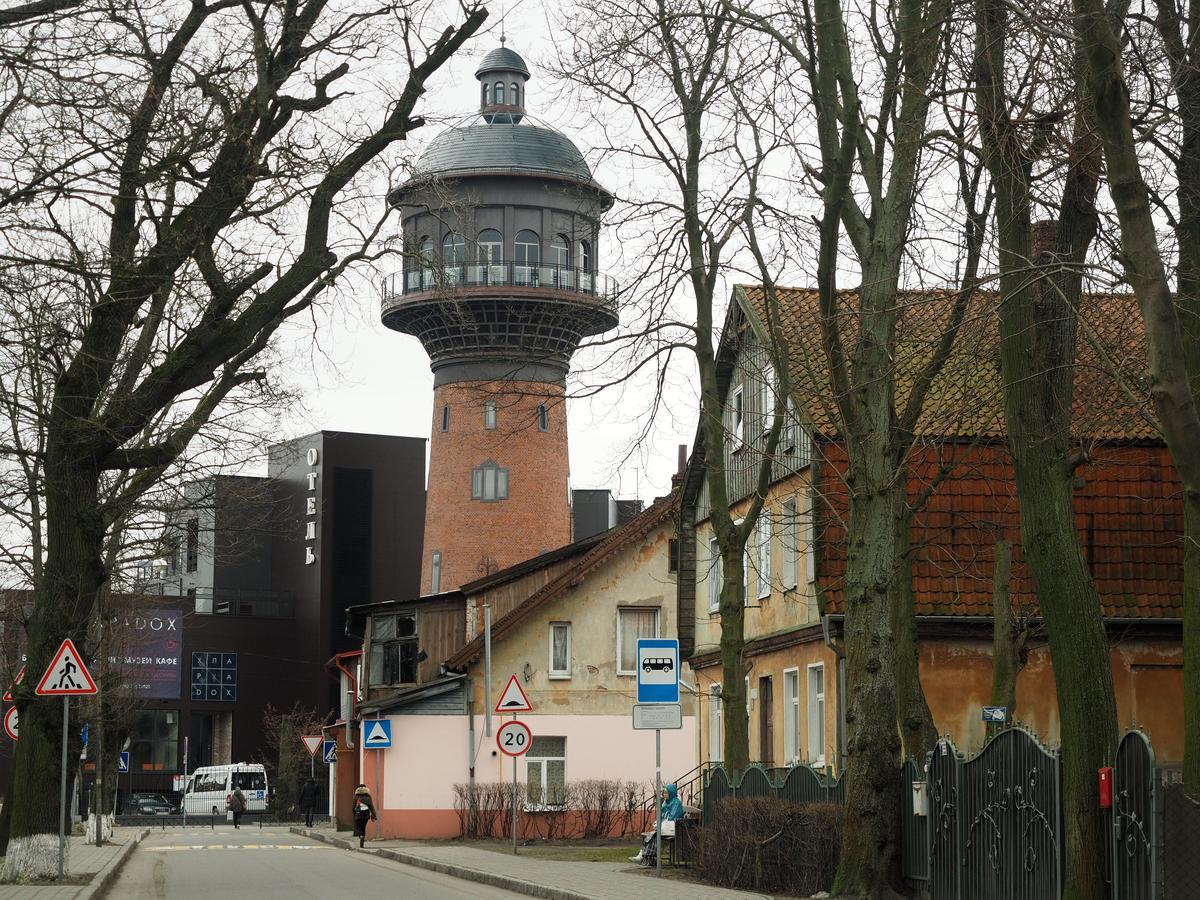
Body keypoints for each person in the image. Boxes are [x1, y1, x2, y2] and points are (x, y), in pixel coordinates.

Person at [630, 783, 686, 866]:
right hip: (665, 828)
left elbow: (671, 817)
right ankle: (645, 856)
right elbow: (661, 816)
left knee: (654, 835)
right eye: (663, 793)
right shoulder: (665, 803)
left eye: (666, 793)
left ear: (671, 793)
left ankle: (644, 856)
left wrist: (663, 813)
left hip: (674, 828)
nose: (664, 795)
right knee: (651, 835)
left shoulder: (676, 803)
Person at [352, 783, 376, 848]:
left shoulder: (356, 796)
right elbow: (371, 807)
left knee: (358, 827)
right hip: (366, 814)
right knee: (363, 827)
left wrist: (354, 814)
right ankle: (362, 844)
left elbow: (353, 807)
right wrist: (374, 816)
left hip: (358, 814)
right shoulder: (368, 796)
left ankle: (361, 836)